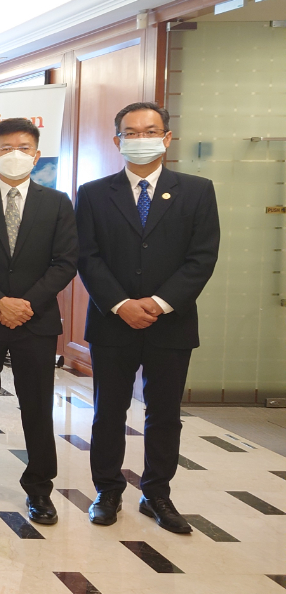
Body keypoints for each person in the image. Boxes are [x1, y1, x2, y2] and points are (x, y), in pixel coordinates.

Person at [77, 102, 219, 534]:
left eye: (150, 131)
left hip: (171, 324)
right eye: (131, 132)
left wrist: (158, 303)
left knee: (164, 414)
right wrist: (122, 304)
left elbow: (202, 258)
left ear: (167, 137)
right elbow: (88, 256)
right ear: (117, 139)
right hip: (112, 321)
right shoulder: (95, 192)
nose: (141, 139)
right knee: (108, 411)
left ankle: (157, 492)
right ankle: (107, 490)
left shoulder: (197, 190)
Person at [0, 117, 77, 525]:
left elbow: (65, 262)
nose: (14, 155)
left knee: (37, 406)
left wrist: (25, 304)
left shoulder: (57, 204)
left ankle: (40, 489)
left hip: (35, 322)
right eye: (5, 149)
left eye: (23, 148)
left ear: (37, 155)